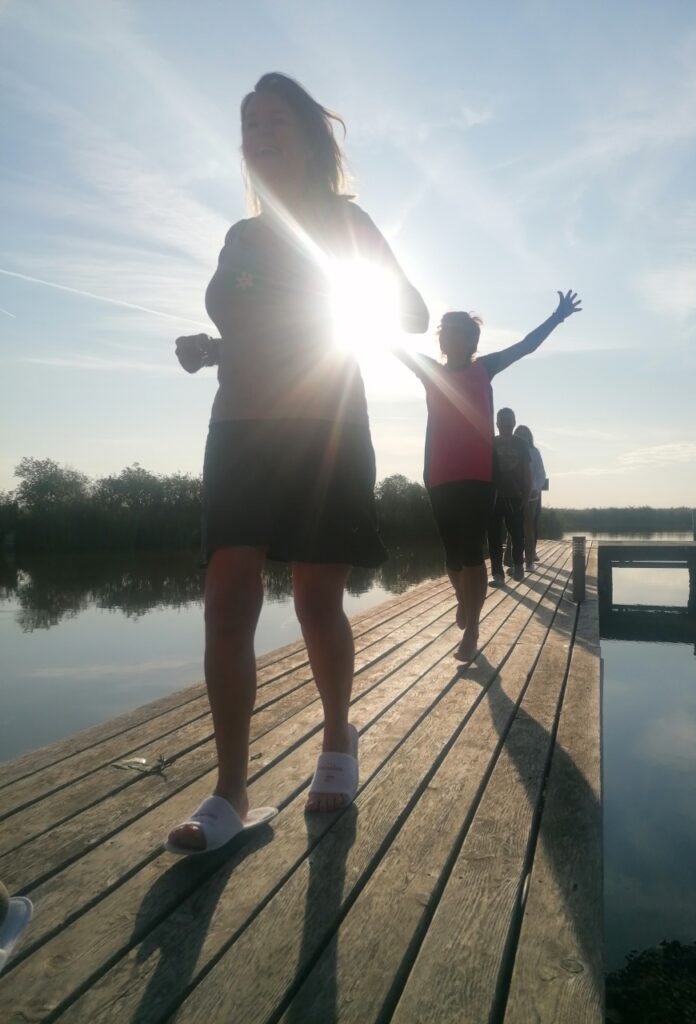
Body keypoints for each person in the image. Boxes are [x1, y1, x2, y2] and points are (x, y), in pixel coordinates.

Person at [168, 73, 428, 854]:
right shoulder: (239, 238)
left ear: (310, 137)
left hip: (324, 425)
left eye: (272, 118)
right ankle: (230, 791)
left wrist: (356, 282)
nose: (255, 130)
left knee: (317, 600)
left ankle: (339, 741)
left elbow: (408, 310)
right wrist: (211, 347)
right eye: (247, 120)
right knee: (226, 598)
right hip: (241, 427)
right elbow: (253, 325)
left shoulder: (345, 221)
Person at [395, 290, 581, 662]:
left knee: (472, 554)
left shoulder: (485, 368)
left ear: (468, 338)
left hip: (480, 475)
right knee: (451, 557)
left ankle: (473, 630)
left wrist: (557, 316)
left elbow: (526, 346)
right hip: (439, 474)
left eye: (452, 330)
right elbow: (394, 347)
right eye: (442, 330)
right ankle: (463, 599)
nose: (444, 335)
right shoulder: (429, 369)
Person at [488, 408, 531, 585]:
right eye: (502, 420)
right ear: (497, 423)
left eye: (509, 420)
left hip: (515, 494)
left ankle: (519, 564)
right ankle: (498, 574)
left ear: (514, 422)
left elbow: (526, 470)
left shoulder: (521, 443)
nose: (506, 423)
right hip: (493, 496)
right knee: (493, 536)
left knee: (517, 533)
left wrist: (527, 493)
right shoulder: (490, 441)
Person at [514, 424, 548, 569]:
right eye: (519, 434)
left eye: (524, 434)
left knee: (528, 528)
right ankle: (513, 561)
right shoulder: (511, 451)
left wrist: (535, 488)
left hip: (531, 495)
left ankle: (529, 561)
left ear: (529, 437)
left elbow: (541, 474)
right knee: (514, 528)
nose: (522, 436)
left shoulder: (534, 452)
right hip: (513, 494)